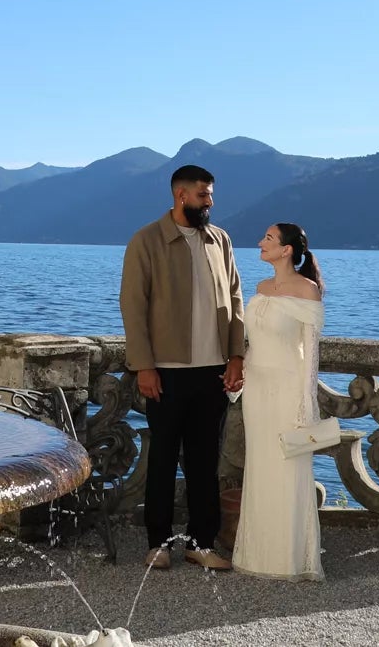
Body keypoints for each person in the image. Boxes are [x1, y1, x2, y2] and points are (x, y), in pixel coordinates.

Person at [120, 165, 245, 570]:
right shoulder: (146, 241)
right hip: (166, 371)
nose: (211, 202)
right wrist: (144, 366)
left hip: (212, 371)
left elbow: (236, 298)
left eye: (211, 195)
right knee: (161, 459)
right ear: (181, 196)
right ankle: (158, 543)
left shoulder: (220, 240)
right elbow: (133, 307)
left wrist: (236, 356)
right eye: (205, 195)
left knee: (204, 462)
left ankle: (200, 543)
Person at [233, 223, 326, 581]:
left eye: (268, 238)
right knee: (258, 466)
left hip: (288, 390)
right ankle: (256, 555)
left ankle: (290, 560)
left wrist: (307, 404)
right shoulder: (259, 288)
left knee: (290, 469)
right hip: (256, 387)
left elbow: (311, 355)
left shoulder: (308, 290)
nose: (260, 242)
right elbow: (250, 342)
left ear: (286, 249)